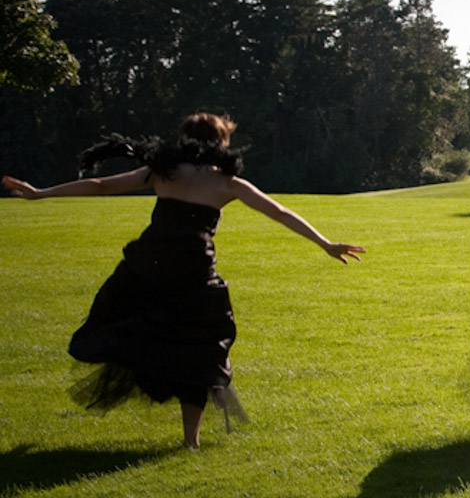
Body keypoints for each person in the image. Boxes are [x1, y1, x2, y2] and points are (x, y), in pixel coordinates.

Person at [2, 112, 364, 450]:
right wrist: (325, 244)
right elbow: (280, 212)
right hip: (193, 272)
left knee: (138, 326)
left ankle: (162, 388)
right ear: (219, 142)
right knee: (204, 349)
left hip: (148, 264)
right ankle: (190, 441)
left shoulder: (163, 172)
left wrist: (41, 192)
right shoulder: (228, 184)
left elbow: (98, 185)